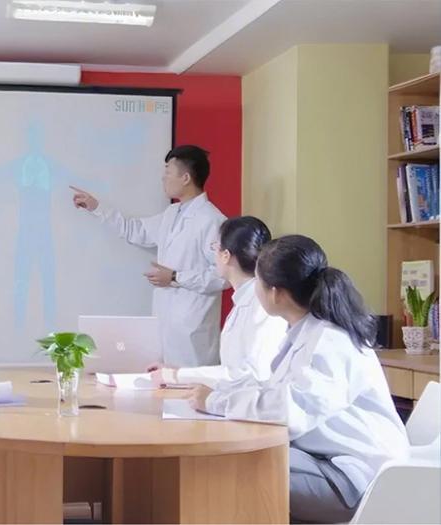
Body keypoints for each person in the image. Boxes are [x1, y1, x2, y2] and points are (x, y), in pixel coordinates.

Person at [188, 235, 409, 523]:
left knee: (227, 476)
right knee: (227, 462)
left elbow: (290, 411)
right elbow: (275, 390)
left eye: (257, 281)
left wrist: (216, 401)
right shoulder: (307, 331)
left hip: (353, 479)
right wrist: (220, 394)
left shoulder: (329, 341)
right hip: (325, 460)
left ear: (276, 293)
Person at [71, 145, 227, 367]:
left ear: (185, 178)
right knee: (161, 382)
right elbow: (135, 230)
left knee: (189, 385)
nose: (163, 178)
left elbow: (222, 276)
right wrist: (96, 207)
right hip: (165, 327)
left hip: (192, 334)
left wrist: (175, 277)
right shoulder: (172, 214)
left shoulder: (212, 220)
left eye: (168, 172)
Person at [150, 216, 286, 388]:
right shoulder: (245, 300)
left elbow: (249, 376)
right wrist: (178, 373)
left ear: (226, 256)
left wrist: (178, 376)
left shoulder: (262, 306)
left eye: (215, 247)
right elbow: (231, 371)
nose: (214, 254)